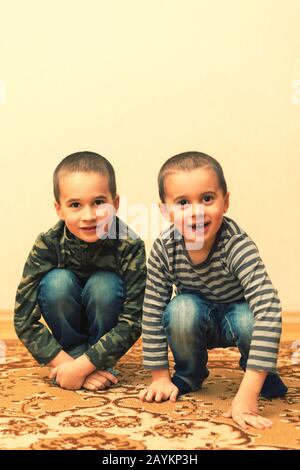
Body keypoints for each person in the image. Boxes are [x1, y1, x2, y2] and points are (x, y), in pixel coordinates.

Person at [139, 151, 287, 430]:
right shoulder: (164, 248)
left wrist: (247, 394)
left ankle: (261, 377)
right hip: (196, 318)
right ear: (165, 211)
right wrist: (159, 376)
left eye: (207, 199)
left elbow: (268, 307)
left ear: (225, 202)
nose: (196, 211)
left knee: (249, 319)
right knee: (180, 308)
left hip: (236, 318)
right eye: (183, 202)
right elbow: (152, 309)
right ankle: (190, 374)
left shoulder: (237, 246)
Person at [14, 151, 146, 391]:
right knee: (57, 282)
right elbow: (23, 319)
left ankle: (98, 364)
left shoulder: (129, 245)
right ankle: (77, 355)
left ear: (115, 204)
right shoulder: (48, 243)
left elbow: (134, 320)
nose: (89, 216)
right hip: (67, 336)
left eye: (98, 202)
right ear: (59, 209)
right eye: (75, 205)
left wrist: (87, 364)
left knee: (104, 285)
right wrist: (67, 363)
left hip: (104, 328)